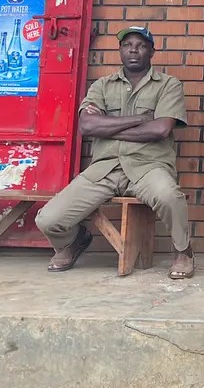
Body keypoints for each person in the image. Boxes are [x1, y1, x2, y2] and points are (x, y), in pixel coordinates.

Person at [35, 25, 194, 279]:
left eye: (141, 46)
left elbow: (161, 129)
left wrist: (108, 127)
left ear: (152, 51)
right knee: (48, 219)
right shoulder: (102, 86)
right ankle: (73, 241)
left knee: (170, 197)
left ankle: (183, 251)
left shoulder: (168, 85)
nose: (133, 50)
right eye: (127, 45)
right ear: (120, 50)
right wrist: (140, 119)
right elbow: (87, 126)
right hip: (104, 169)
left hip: (147, 167)